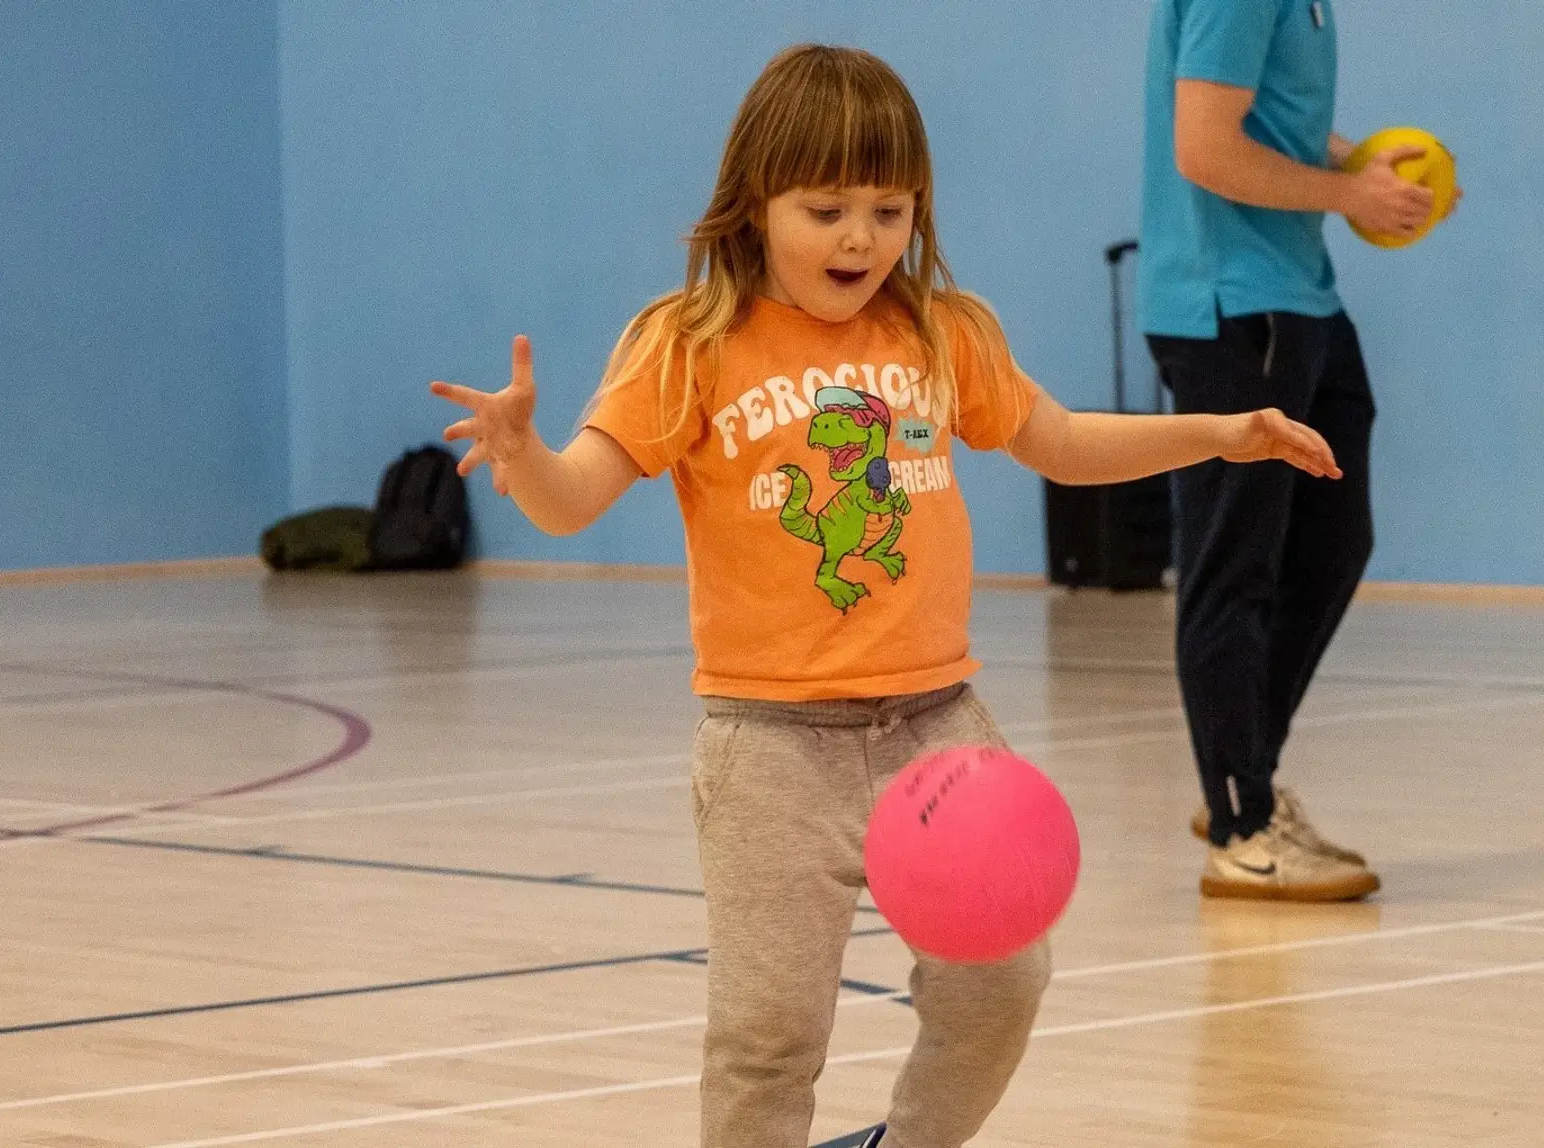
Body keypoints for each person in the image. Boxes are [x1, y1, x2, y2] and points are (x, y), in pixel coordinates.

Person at [434, 44, 1343, 1148]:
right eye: (825, 211)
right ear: (754, 202)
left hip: (936, 728)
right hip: (769, 745)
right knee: (768, 1033)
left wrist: (1220, 432)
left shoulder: (940, 331)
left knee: (1002, 984)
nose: (860, 239)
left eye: (888, 209)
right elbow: (573, 496)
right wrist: (524, 454)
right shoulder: (687, 344)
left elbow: (1059, 441)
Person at [1139, 0, 1459, 902]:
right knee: (1234, 565)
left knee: (1333, 540)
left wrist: (1365, 169)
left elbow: (1267, 123)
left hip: (1298, 295)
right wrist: (1350, 196)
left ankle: (1238, 770)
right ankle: (1244, 830)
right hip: (1232, 308)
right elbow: (1205, 148)